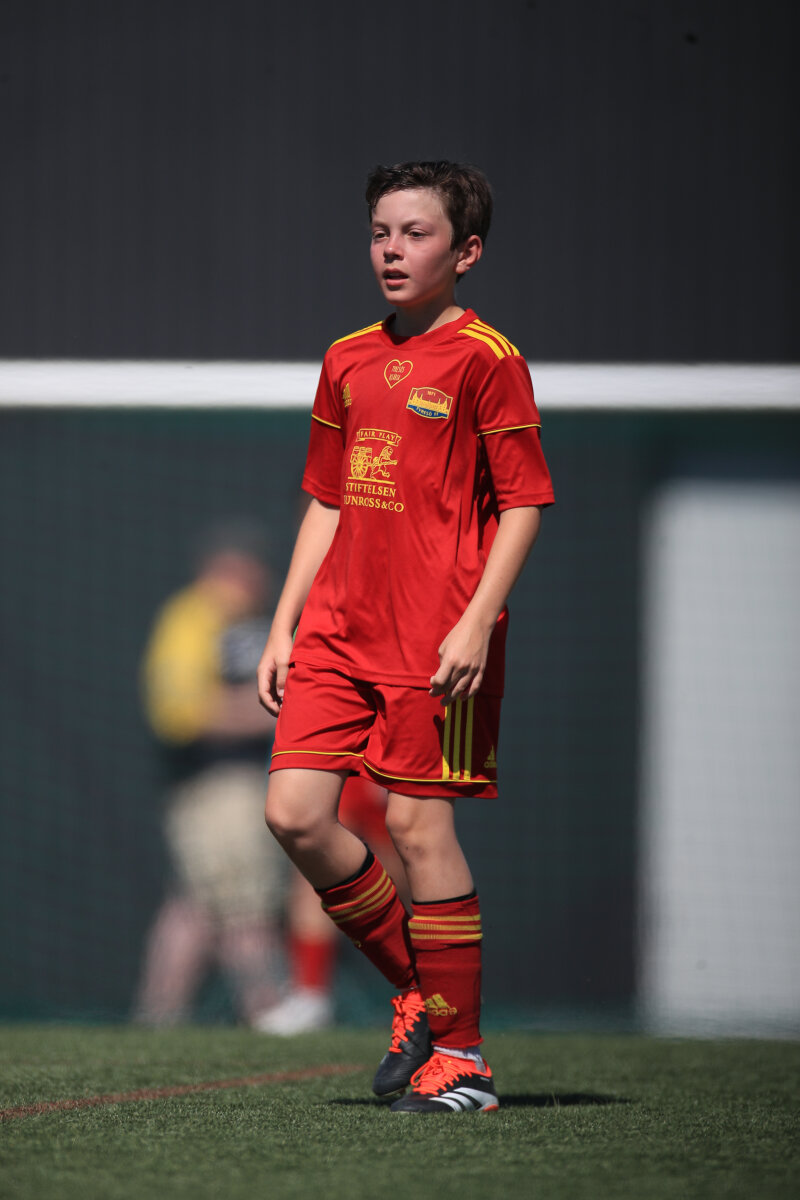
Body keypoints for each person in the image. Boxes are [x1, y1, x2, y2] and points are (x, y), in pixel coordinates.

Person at [257, 161, 554, 1113]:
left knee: (422, 829)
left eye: (416, 233)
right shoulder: (346, 357)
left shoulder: (487, 359)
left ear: (466, 252)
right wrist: (284, 623)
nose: (392, 249)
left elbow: (524, 505)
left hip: (437, 642)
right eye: (382, 232)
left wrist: (474, 624)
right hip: (336, 633)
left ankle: (462, 1060)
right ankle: (422, 994)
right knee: (294, 815)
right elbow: (327, 499)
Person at [134, 521, 285, 1027]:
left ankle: (158, 1017)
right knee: (245, 904)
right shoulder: (194, 616)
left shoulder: (246, 622)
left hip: (234, 788)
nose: (260, 581)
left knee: (194, 907)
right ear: (226, 568)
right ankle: (269, 1010)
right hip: (217, 790)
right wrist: (275, 711)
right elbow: (179, 713)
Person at [255, 775, 410, 1034]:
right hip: (350, 768)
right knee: (316, 865)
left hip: (392, 774)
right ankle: (310, 995)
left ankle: (436, 993)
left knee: (416, 871)